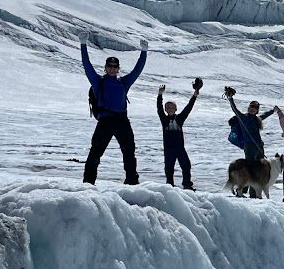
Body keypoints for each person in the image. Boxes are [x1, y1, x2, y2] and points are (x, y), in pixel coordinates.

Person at [81, 37, 147, 185]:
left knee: (129, 152)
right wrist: (83, 44)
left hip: (122, 121)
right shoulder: (98, 82)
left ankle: (131, 182)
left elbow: (138, 70)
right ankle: (88, 184)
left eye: (114, 66)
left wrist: (144, 52)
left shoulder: (124, 82)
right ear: (105, 68)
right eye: (109, 66)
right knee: (95, 152)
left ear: (118, 69)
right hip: (105, 122)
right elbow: (87, 66)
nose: (112, 68)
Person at [157, 78, 203, 189]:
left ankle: (187, 184)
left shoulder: (180, 119)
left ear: (176, 108)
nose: (170, 109)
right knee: (169, 168)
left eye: (172, 107)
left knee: (186, 166)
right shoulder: (164, 119)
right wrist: (159, 95)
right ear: (166, 109)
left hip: (179, 148)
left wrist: (194, 96)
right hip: (168, 149)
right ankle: (169, 185)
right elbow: (159, 109)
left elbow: (188, 108)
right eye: (167, 107)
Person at [224, 86, 275, 162]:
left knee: (261, 168)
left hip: (259, 146)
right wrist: (230, 98)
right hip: (249, 146)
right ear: (248, 108)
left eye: (255, 108)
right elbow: (235, 109)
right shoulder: (243, 117)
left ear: (257, 111)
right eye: (251, 107)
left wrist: (273, 110)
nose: (253, 109)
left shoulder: (257, 119)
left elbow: (265, 115)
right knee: (250, 168)